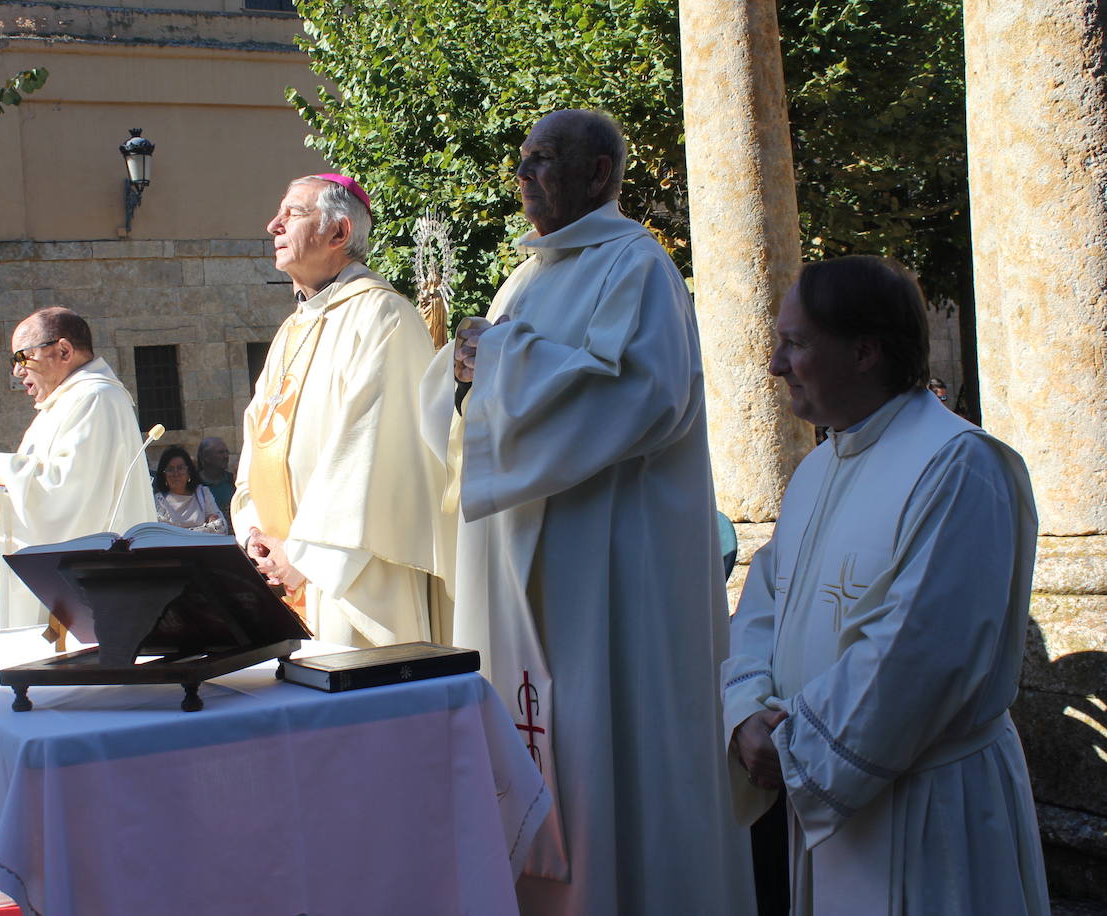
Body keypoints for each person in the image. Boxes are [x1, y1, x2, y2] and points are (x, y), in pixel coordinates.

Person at [418, 109, 751, 913]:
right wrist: (464, 373)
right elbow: (477, 404)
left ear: (600, 174)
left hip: (607, 578)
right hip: (522, 569)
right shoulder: (527, 275)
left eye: (543, 160)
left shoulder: (636, 267)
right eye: (522, 160)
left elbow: (643, 395)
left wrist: (495, 360)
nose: (523, 175)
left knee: (608, 754)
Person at [722, 256, 1049, 914]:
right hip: (822, 786)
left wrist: (793, 747)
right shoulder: (818, 467)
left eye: (795, 344)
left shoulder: (959, 466)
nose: (775, 365)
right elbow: (764, 604)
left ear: (865, 351)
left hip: (927, 811)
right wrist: (746, 712)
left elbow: (919, 655)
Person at [232, 173, 449, 648]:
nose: (273, 225)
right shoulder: (291, 330)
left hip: (353, 578)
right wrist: (254, 535)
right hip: (278, 573)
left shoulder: (381, 316)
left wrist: (305, 557)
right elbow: (258, 440)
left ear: (338, 233)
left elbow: (369, 456)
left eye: (291, 214)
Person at [0, 307, 156, 639]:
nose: (16, 371)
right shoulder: (65, 403)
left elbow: (66, 493)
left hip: (89, 588)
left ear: (64, 351)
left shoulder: (97, 398)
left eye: (22, 357)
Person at [153, 445, 226, 534]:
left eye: (180, 468)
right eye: (170, 469)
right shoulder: (157, 502)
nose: (176, 474)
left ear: (189, 472)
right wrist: (206, 528)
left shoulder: (203, 494)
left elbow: (221, 527)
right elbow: (162, 534)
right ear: (164, 475)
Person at [195, 437, 235, 533]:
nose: (226, 456)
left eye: (226, 452)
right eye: (220, 452)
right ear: (206, 457)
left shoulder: (233, 482)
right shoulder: (194, 485)